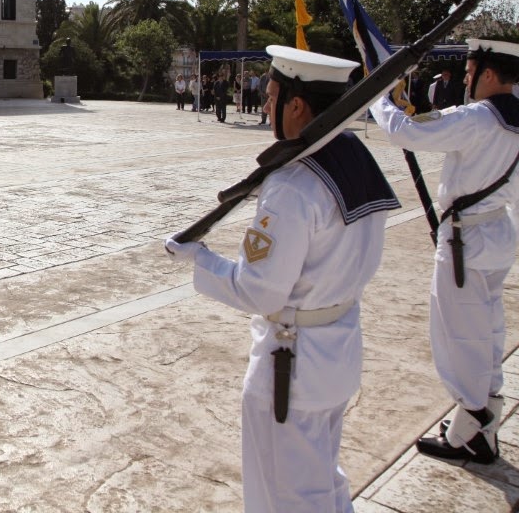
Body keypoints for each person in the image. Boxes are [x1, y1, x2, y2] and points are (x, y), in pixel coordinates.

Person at [164, 45, 400, 512]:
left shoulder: (292, 185)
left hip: (292, 362)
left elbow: (258, 289)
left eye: (273, 96)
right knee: (321, 479)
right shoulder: (354, 156)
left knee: (285, 494)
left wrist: (199, 259)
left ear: (298, 105)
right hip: (338, 346)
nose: (265, 105)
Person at [370, 38, 519, 464]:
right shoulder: (513, 122)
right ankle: (479, 423)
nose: (467, 79)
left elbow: (408, 133)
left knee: (456, 337)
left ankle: (471, 429)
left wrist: (379, 98)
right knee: (487, 332)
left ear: (490, 74)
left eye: (473, 72)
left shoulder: (478, 119)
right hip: (497, 238)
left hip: (465, 245)